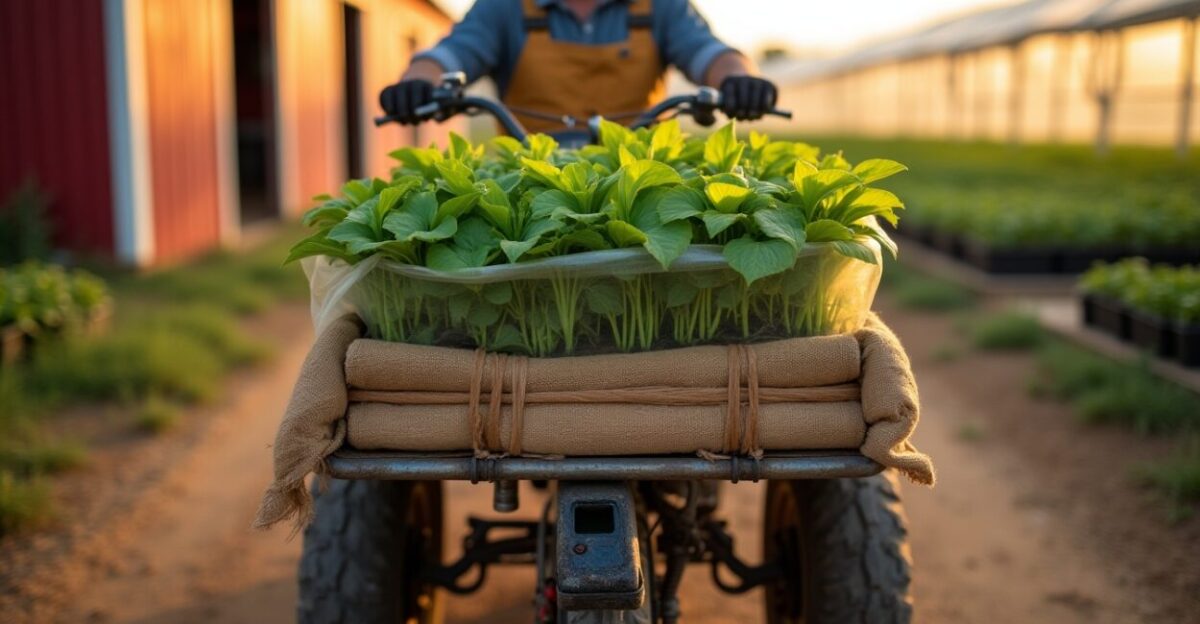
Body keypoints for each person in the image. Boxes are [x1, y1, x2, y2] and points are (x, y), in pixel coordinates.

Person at [379, 0, 779, 133]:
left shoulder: (659, 6)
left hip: (636, 186)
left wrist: (740, 79)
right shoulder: (506, 6)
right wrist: (418, 83)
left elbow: (710, 54)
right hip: (525, 188)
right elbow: (452, 55)